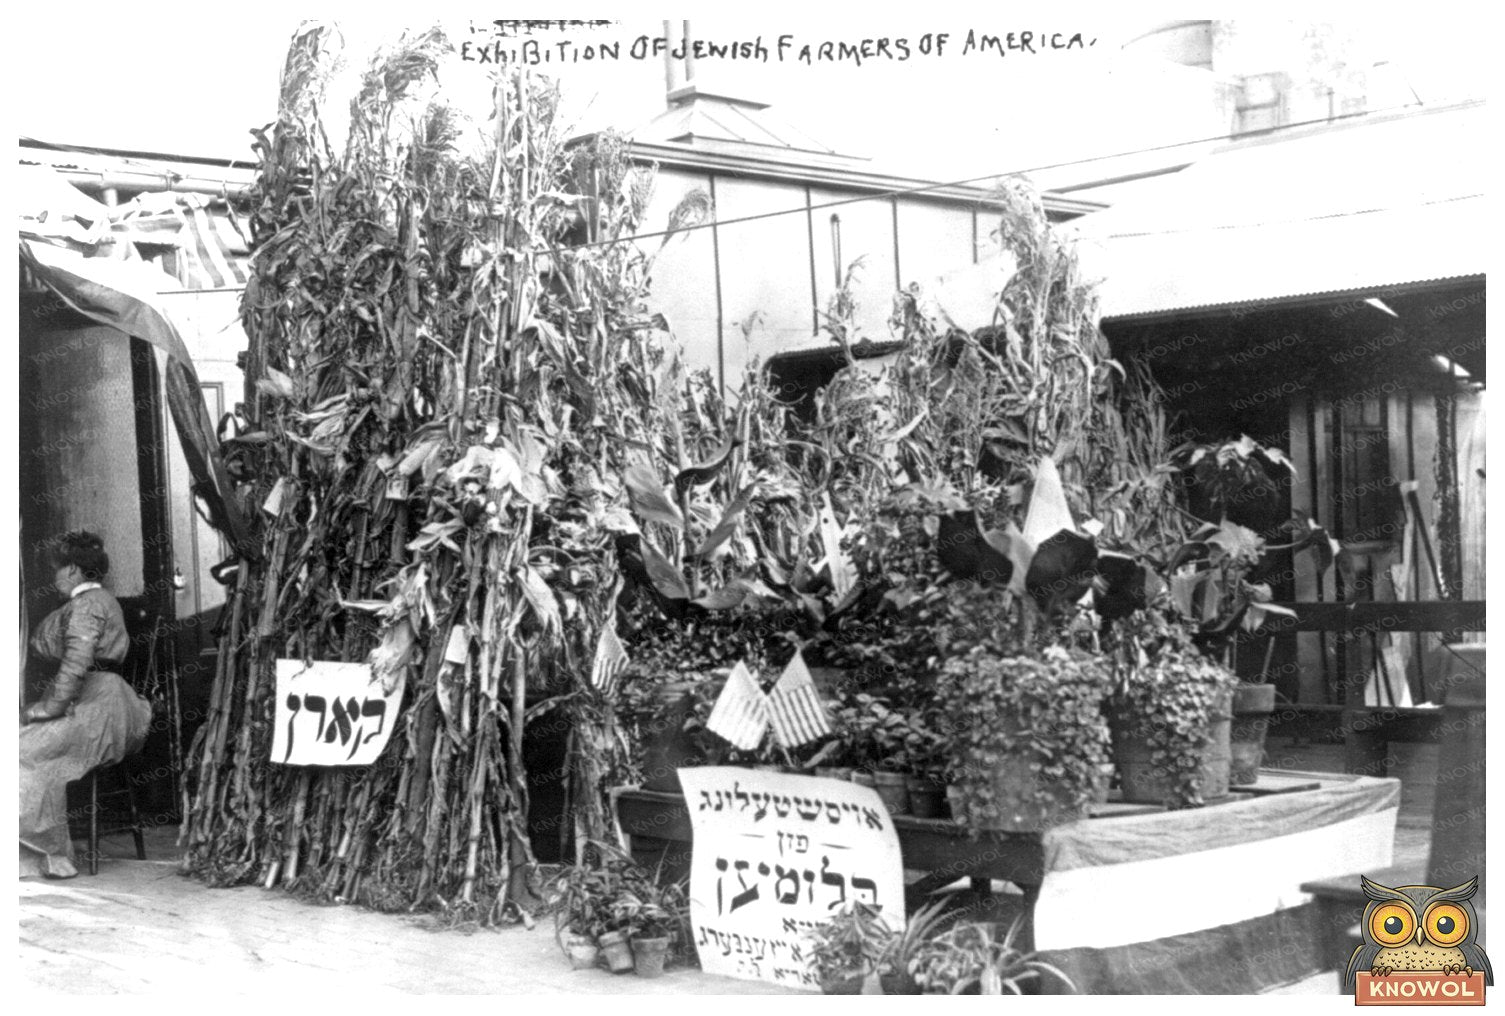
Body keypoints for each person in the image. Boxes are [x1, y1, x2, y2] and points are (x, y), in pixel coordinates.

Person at [20, 531, 152, 878]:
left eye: (57, 570)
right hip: (103, 698)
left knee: (22, 750)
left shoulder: (88, 605)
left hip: (102, 705)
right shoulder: (96, 602)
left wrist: (44, 709)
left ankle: (47, 855)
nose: (54, 578)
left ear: (74, 570)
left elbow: (76, 664)